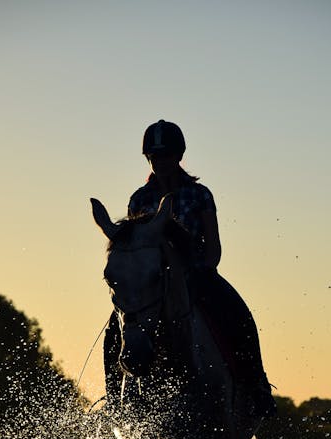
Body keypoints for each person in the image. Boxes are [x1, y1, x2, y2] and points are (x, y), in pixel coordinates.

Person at [104, 119, 276, 419]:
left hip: (198, 276)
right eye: (155, 157)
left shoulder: (200, 195)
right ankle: (114, 403)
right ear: (148, 158)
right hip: (154, 285)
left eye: (166, 155)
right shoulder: (139, 199)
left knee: (238, 313)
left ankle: (256, 387)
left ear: (179, 156)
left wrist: (201, 270)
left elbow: (213, 247)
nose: (161, 162)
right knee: (113, 330)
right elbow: (135, 249)